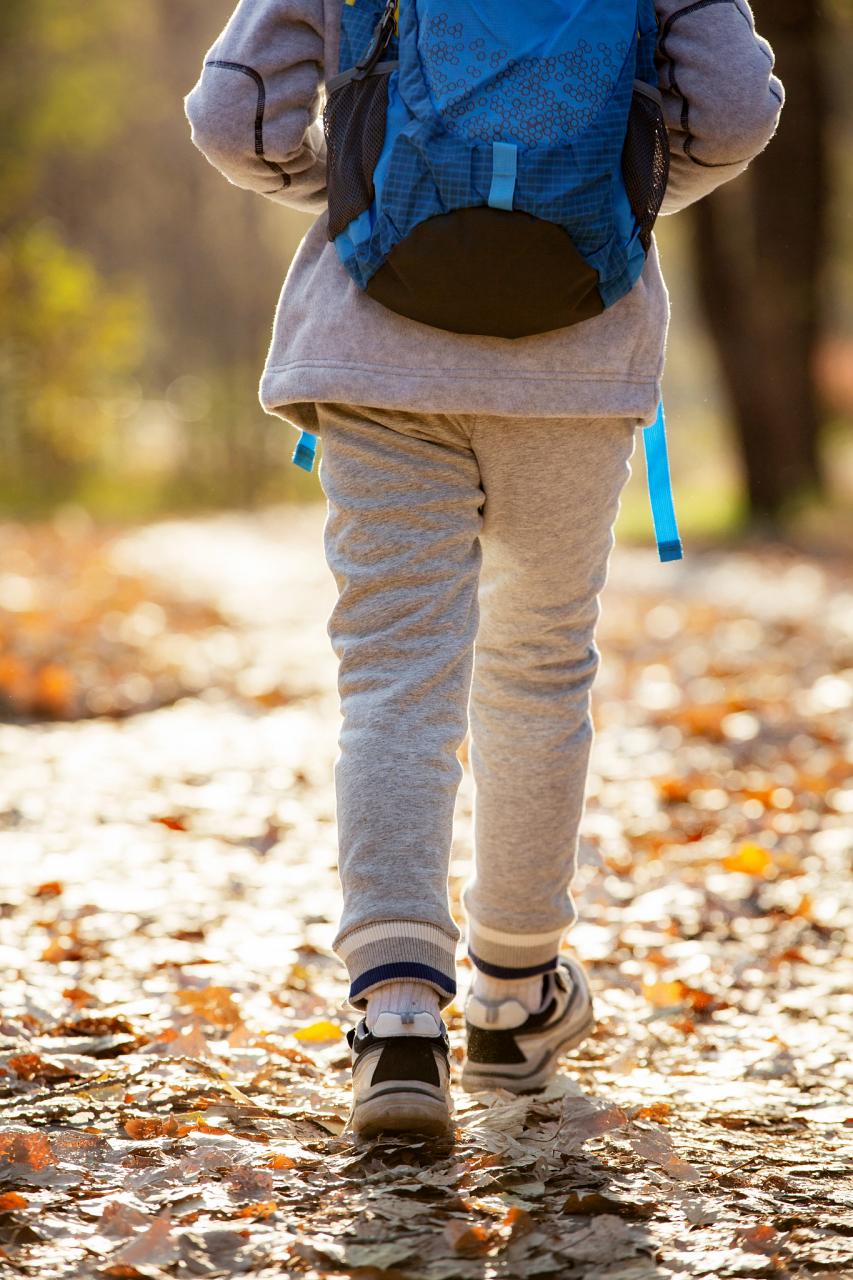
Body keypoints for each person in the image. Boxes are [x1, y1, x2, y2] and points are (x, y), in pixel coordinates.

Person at [186, 0, 783, 1137]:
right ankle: (513, 995)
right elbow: (737, 113)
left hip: (375, 350)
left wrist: (370, 196)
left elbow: (234, 116)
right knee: (539, 664)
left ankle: (398, 1015)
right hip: (577, 352)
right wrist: (602, 207)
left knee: (396, 676)